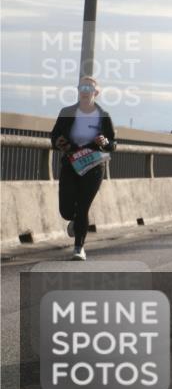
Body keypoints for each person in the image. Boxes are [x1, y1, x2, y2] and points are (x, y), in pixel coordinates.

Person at [50, 76, 117, 261]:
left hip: (94, 166)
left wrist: (105, 142)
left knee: (83, 208)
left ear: (96, 93)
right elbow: (54, 136)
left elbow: (113, 144)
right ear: (78, 90)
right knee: (66, 210)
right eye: (82, 87)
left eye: (90, 87)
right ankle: (75, 221)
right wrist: (58, 142)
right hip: (71, 164)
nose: (86, 90)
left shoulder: (104, 116)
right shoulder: (67, 112)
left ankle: (79, 247)